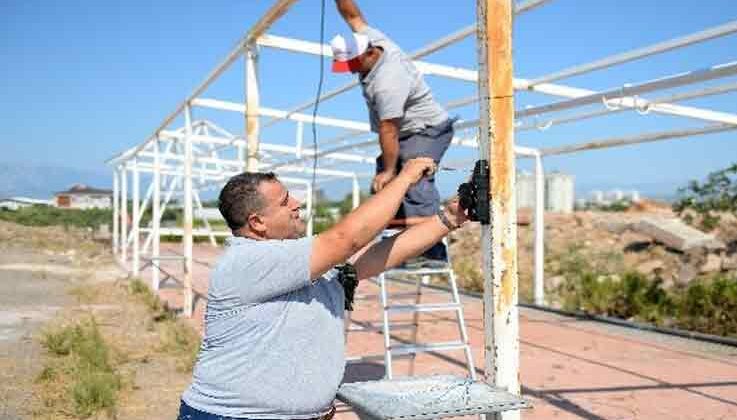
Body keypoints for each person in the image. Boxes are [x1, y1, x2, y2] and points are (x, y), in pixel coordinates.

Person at [178, 158, 470, 420]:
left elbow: (373, 257)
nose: (297, 204)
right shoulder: (246, 260)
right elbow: (346, 239)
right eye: (284, 202)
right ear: (257, 222)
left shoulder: (296, 261)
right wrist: (404, 178)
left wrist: (449, 217)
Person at [330, 0, 455, 264]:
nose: (349, 70)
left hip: (427, 130)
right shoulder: (370, 39)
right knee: (388, 187)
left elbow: (389, 130)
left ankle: (431, 251)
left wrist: (390, 170)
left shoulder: (388, 80)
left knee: (413, 175)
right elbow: (351, 14)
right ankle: (401, 247)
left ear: (368, 54)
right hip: (408, 132)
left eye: (352, 64)